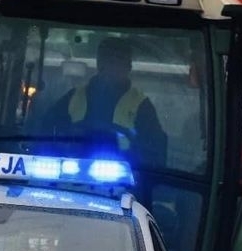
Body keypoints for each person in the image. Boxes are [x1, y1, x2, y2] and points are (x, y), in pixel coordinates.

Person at [40, 36, 167, 166]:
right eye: (108, 60)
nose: (112, 66)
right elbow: (44, 132)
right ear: (99, 63)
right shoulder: (73, 97)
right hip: (71, 175)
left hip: (126, 180)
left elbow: (155, 153)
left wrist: (136, 168)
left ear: (128, 67)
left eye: (119, 60)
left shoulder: (141, 105)